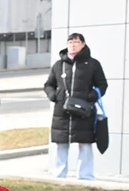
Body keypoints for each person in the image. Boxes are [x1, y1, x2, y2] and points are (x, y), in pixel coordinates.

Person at [44, 32, 107, 180]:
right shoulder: (59, 65)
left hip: (84, 111)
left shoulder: (92, 64)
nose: (73, 45)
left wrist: (90, 96)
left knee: (85, 144)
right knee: (61, 144)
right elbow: (49, 85)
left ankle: (85, 177)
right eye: (70, 42)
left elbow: (102, 85)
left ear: (83, 45)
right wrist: (53, 95)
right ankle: (59, 175)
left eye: (76, 42)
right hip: (62, 111)